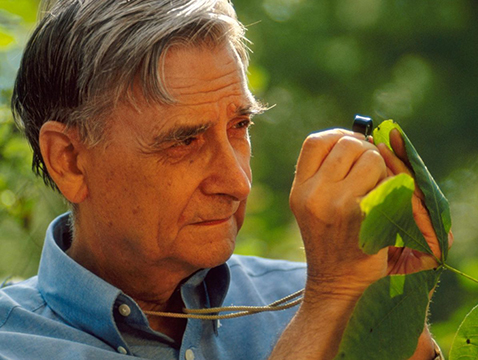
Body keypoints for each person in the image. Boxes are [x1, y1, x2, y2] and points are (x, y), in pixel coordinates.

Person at [0, 1, 449, 359]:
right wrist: (329, 303)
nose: (236, 181)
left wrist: (395, 303)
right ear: (70, 161)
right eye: (185, 141)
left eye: (240, 126)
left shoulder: (299, 292)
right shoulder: (15, 344)